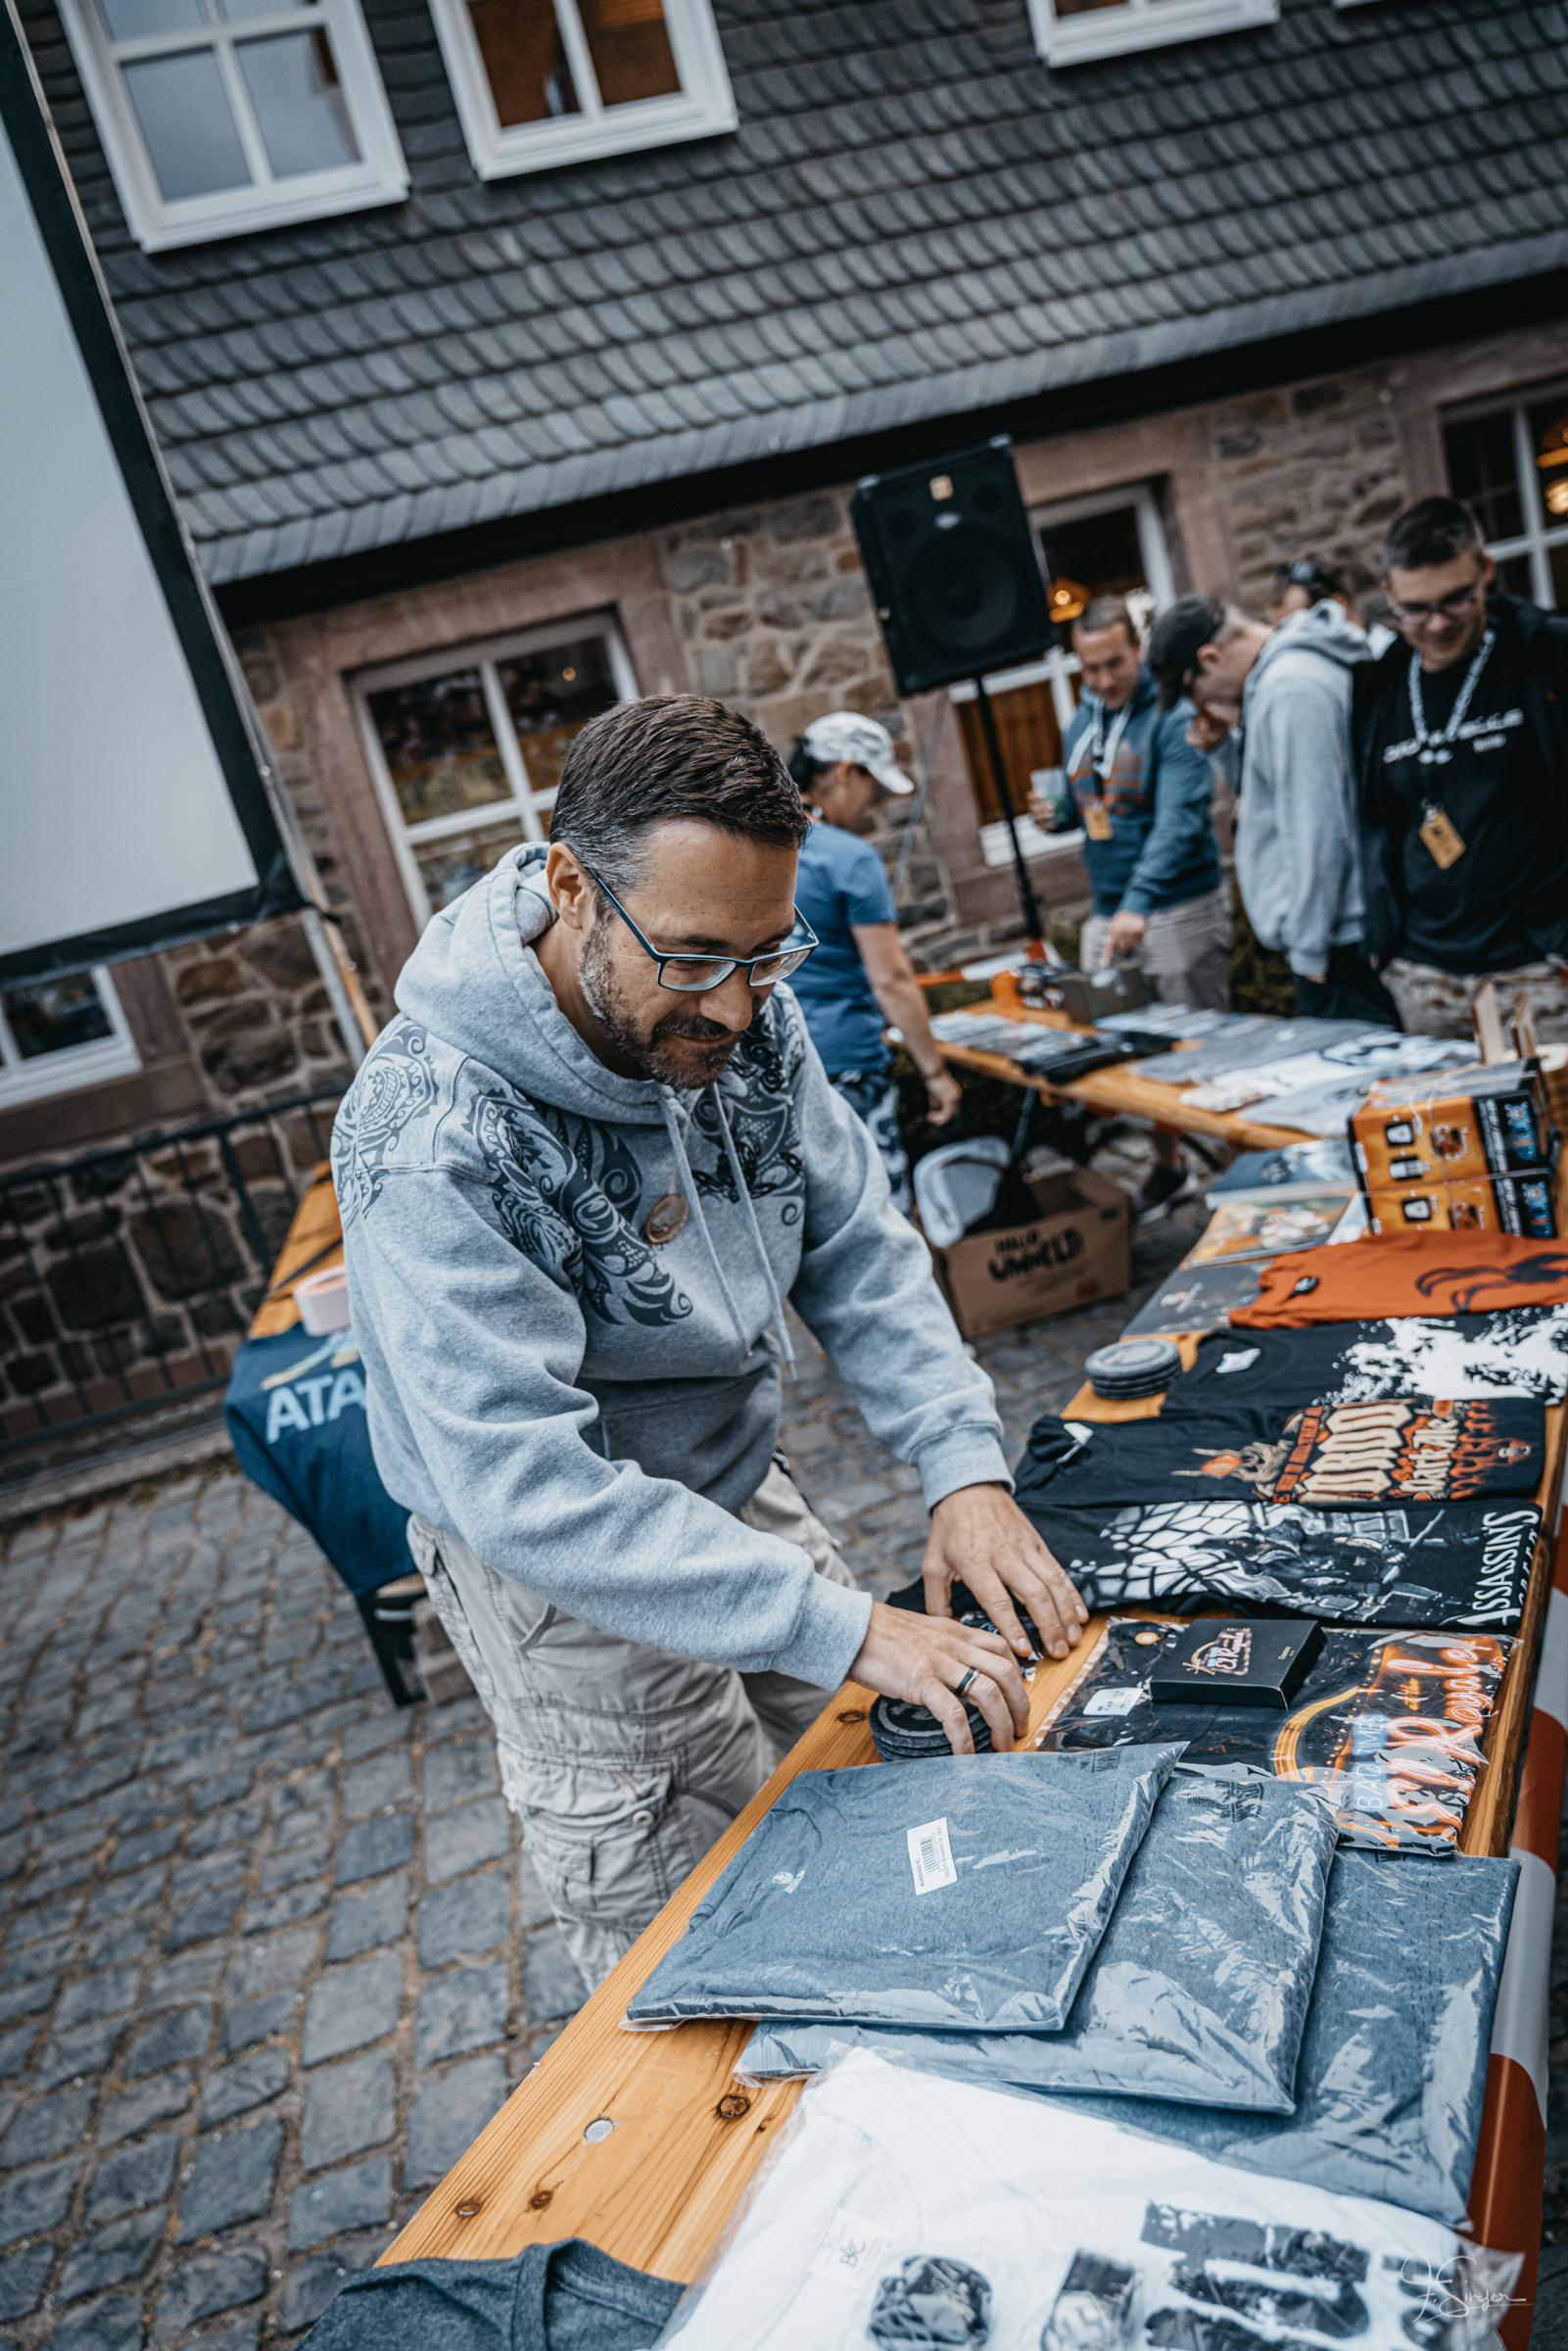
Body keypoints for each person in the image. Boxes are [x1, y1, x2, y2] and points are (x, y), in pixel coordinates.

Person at [334, 695, 1086, 1991]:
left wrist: (960, 1464)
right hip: (558, 1578)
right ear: (570, 888)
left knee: (904, 1802)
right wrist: (840, 1626)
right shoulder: (426, 1134)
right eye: (691, 959)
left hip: (734, 1489)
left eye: (767, 953)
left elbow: (854, 1239)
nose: (736, 1008)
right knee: (710, 1953)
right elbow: (522, 1485)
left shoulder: (737, 997)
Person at [1030, 594, 1230, 1219]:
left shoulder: (1173, 716)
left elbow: (1178, 820)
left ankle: (1234, 1179)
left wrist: (1138, 902)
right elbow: (1096, 806)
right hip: (1110, 909)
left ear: (1138, 649)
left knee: (1200, 1052)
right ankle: (1169, 1170)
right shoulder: (1082, 721)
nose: (1103, 679)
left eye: (1114, 663)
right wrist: (1059, 816)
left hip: (1175, 907)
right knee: (1133, 1052)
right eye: (1089, 668)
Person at [1353, 496, 1568, 1040]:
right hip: (1424, 977)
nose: (1437, 624)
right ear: (1389, 595)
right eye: (1415, 609)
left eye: (1456, 600)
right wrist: (1388, 943)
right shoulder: (1379, 688)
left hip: (1541, 973)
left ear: (1485, 570)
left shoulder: (1546, 654)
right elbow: (1379, 821)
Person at [1146, 595, 1399, 1029]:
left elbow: (1317, 827)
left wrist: (1309, 949)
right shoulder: (1283, 679)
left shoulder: (1288, 690)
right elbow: (1277, 796)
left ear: (1211, 658)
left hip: (1341, 943)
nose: (1198, 704)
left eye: (1190, 690)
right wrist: (1223, 749)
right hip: (1340, 933)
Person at [784, 711, 961, 1212]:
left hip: (777, 1063)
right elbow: (891, 980)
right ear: (845, 772)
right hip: (849, 1063)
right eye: (873, 787)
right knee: (879, 1212)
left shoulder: (757, 848)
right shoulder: (848, 857)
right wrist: (935, 1073)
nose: (874, 803)